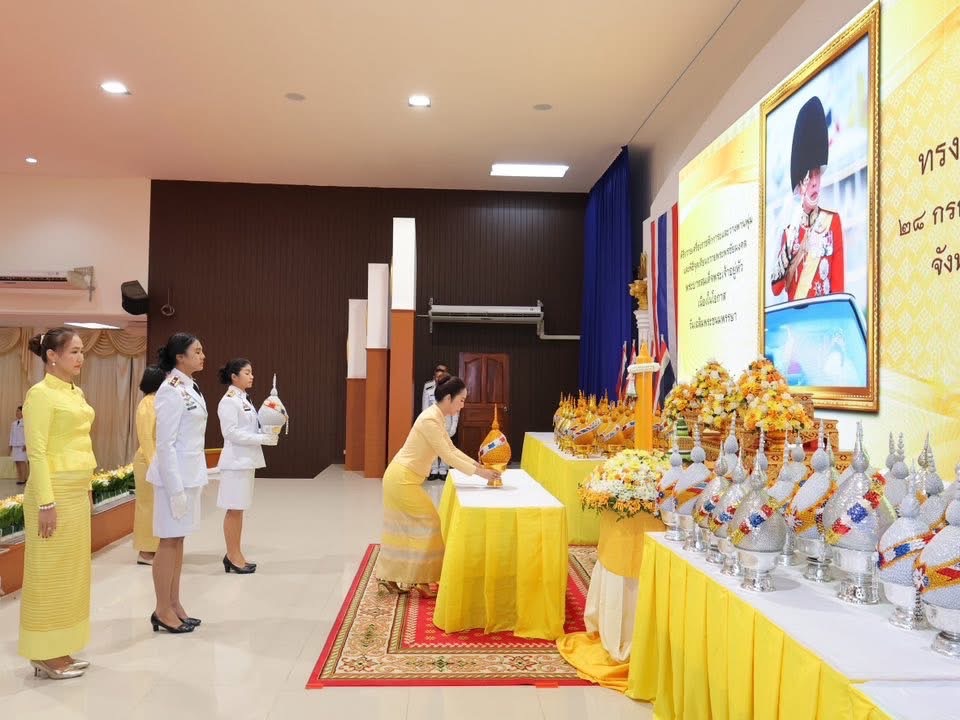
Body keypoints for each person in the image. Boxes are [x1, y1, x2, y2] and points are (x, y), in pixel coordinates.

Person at [375, 375, 500, 596]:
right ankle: (421, 580)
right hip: (401, 480)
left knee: (402, 528)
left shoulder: (437, 417)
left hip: (404, 478)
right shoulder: (430, 420)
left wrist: (478, 465)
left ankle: (389, 576)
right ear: (449, 398)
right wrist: (482, 474)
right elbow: (447, 456)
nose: (463, 405)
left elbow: (451, 449)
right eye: (461, 400)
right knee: (430, 522)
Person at [19, 328, 97, 679]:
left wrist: (88, 486)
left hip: (76, 491)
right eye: (74, 352)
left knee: (72, 574)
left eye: (82, 351)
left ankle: (60, 646)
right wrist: (46, 504)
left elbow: (81, 442)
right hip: (52, 493)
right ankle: (43, 653)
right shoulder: (40, 395)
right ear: (52, 355)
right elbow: (36, 452)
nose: (81, 358)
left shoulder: (75, 392)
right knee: (48, 573)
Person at [147, 333, 207, 634]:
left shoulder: (189, 386)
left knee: (178, 540)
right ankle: (161, 609)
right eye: (197, 351)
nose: (202, 356)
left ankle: (174, 603)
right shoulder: (170, 390)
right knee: (168, 542)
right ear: (180, 357)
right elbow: (165, 444)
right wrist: (175, 489)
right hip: (174, 478)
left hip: (189, 474)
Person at [770, 95, 845, 302]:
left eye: (817, 174)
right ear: (799, 185)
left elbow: (838, 290)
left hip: (823, 321)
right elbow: (776, 288)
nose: (814, 182)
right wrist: (789, 247)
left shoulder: (832, 223)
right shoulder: (789, 233)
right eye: (808, 176)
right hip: (795, 321)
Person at [216, 358, 278, 574]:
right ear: (234, 376)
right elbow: (230, 433)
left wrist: (268, 429)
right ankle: (233, 556)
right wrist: (261, 438)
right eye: (247, 372)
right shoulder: (229, 401)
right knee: (234, 509)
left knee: (239, 509)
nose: (252, 376)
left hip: (245, 461)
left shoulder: (244, 399)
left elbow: (250, 427)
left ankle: (234, 553)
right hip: (235, 462)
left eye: (252, 372)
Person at [132, 366, 166, 566]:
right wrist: (155, 465)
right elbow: (145, 437)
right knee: (147, 506)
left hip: (157, 460)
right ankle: (145, 552)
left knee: (157, 507)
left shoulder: (160, 401)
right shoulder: (147, 402)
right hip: (148, 461)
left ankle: (156, 547)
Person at [421, 363, 458, 481]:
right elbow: (425, 406)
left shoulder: (452, 388)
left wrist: (454, 426)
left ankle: (443, 470)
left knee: (445, 447)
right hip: (432, 421)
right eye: (437, 376)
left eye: (441, 376)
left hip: (446, 421)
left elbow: (455, 409)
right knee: (432, 446)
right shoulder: (428, 387)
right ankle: (433, 470)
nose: (439, 379)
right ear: (434, 376)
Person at [9, 405, 27, 485]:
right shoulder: (14, 423)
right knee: (17, 462)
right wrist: (10, 445)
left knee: (22, 462)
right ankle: (20, 478)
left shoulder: (26, 423)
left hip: (22, 446)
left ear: (23, 412)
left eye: (18, 411)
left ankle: (23, 479)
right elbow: (11, 435)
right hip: (15, 446)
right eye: (16, 411)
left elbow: (28, 434)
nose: (17, 412)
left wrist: (26, 444)